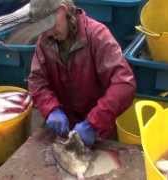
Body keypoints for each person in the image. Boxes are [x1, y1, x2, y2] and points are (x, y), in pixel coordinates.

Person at [28, 0, 136, 146]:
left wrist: (93, 123)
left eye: (50, 25)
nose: (48, 33)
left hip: (98, 130)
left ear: (63, 10)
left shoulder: (97, 35)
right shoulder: (45, 41)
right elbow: (37, 81)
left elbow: (124, 84)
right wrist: (51, 109)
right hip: (63, 131)